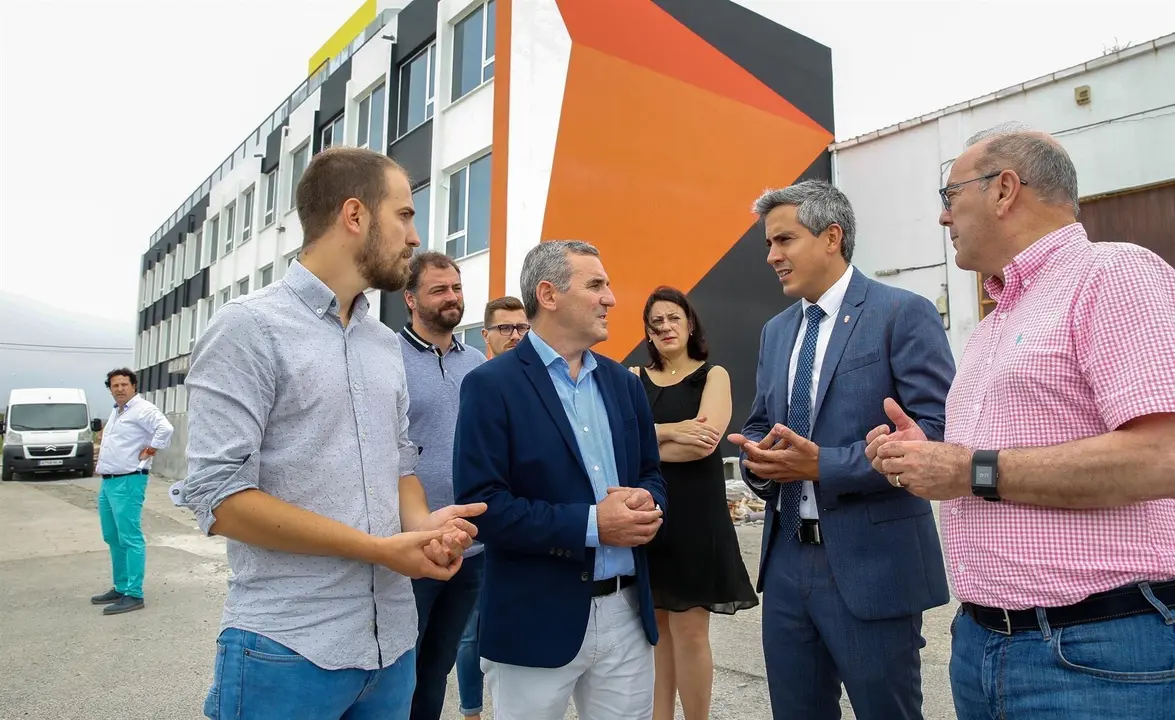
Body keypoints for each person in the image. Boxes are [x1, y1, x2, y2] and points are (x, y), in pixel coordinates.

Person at [869, 121, 1175, 719]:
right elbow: (986, 463)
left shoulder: (1114, 275)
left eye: (949, 196)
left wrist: (967, 470)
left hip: (1098, 653)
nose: (942, 218)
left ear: (1004, 189)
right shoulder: (993, 325)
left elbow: (1161, 456)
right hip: (984, 644)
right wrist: (923, 458)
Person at [180, 147, 485, 720]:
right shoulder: (248, 328)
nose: (414, 237)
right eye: (404, 215)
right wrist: (377, 549)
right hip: (288, 648)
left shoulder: (381, 342)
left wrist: (422, 529)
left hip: (392, 647)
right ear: (355, 215)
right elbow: (219, 498)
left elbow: (398, 463)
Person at [728, 179, 954, 720]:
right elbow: (763, 425)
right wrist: (761, 463)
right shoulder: (776, 331)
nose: (772, 256)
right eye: (768, 244)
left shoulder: (902, 312)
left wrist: (824, 465)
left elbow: (938, 429)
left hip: (871, 565)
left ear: (832, 237)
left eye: (783, 240)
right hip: (784, 562)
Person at [452, 240, 668, 720]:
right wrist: (594, 525)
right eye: (596, 285)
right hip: (534, 618)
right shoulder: (491, 386)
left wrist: (647, 503)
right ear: (548, 295)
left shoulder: (624, 384)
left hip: (628, 616)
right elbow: (482, 505)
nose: (611, 298)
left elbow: (652, 475)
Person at [627, 285, 758, 720]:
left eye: (673, 318)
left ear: (690, 324)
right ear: (647, 332)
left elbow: (703, 444)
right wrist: (671, 430)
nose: (665, 327)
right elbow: (625, 446)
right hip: (649, 515)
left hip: (696, 518)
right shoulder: (633, 378)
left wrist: (650, 434)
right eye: (656, 322)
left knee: (690, 630)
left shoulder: (713, 375)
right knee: (657, 631)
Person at [396, 251, 487, 720]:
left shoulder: (475, 361)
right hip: (412, 545)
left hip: (469, 547)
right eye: (438, 289)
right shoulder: (388, 358)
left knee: (438, 667)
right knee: (398, 669)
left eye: (455, 287)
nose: (452, 297)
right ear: (410, 298)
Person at [454, 294, 530, 720]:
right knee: (468, 632)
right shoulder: (480, 381)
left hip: (515, 525)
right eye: (506, 328)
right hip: (468, 521)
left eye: (522, 328)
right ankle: (472, 712)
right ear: (486, 335)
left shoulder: (542, 381)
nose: (515, 335)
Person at [90, 367, 174, 616]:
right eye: (115, 385)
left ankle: (134, 593)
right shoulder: (117, 411)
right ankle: (121, 586)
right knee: (112, 536)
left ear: (134, 386)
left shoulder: (143, 409)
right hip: (109, 481)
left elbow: (165, 429)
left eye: (124, 384)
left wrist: (149, 451)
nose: (119, 389)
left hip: (129, 480)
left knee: (129, 537)